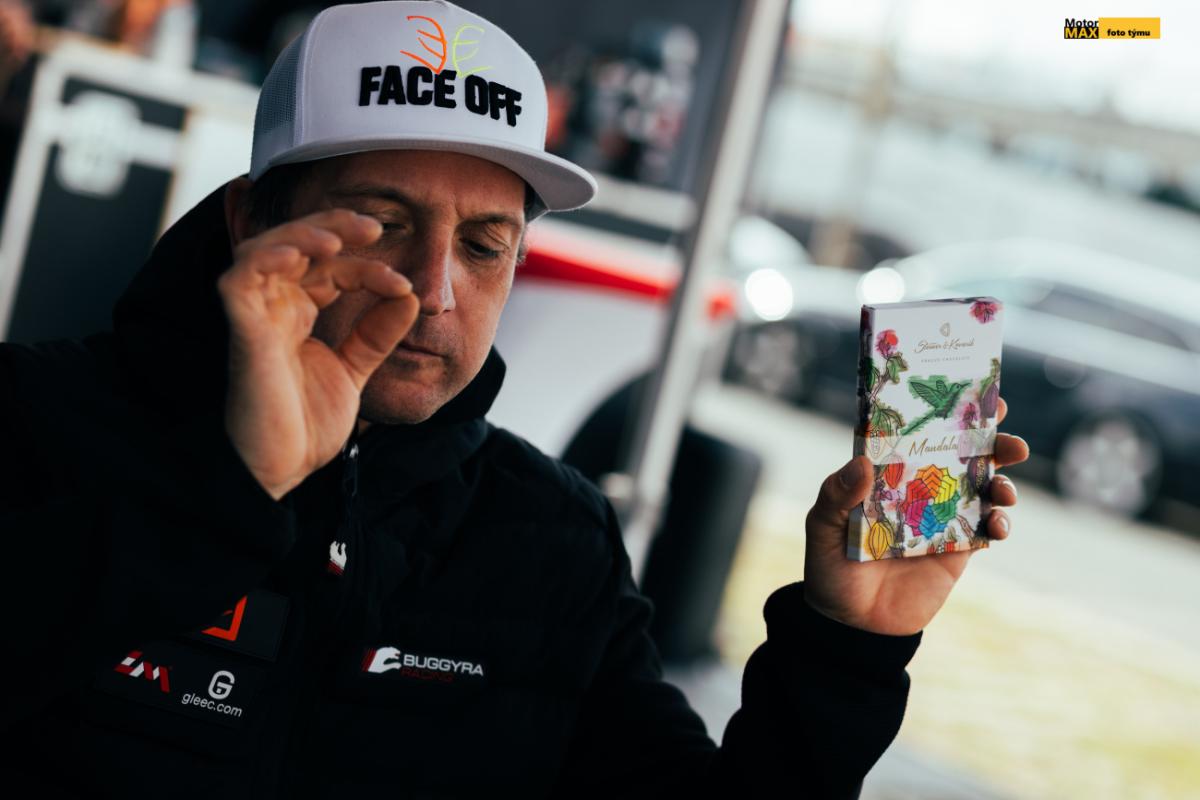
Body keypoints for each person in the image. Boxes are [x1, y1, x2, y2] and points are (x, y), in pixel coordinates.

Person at [0, 1, 1028, 797]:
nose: (434, 289)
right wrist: (228, 492)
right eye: (380, 223)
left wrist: (847, 649)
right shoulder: (34, 416)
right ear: (248, 221)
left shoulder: (551, 535)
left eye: (486, 246)